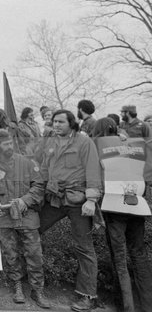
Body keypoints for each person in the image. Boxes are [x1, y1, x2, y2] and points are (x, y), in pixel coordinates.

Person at [38, 110, 102, 311]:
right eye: (54, 121)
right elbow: (43, 171)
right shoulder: (51, 142)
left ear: (71, 123)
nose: (56, 125)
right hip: (55, 198)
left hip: (78, 200)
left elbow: (93, 170)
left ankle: (88, 297)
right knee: (31, 229)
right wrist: (34, 193)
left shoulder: (84, 142)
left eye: (60, 122)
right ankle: (28, 283)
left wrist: (91, 199)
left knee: (84, 247)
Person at [0, 130, 49, 309]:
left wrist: (25, 201)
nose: (10, 146)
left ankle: (37, 290)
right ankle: (17, 287)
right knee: (10, 254)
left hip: (27, 217)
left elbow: (39, 185)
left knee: (34, 254)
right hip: (5, 219)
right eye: (6, 144)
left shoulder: (27, 163)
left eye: (11, 143)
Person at [92, 117, 152, 312]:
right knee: (139, 255)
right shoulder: (131, 144)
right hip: (136, 204)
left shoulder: (97, 147)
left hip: (114, 206)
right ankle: (147, 304)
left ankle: (127, 306)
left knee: (119, 257)